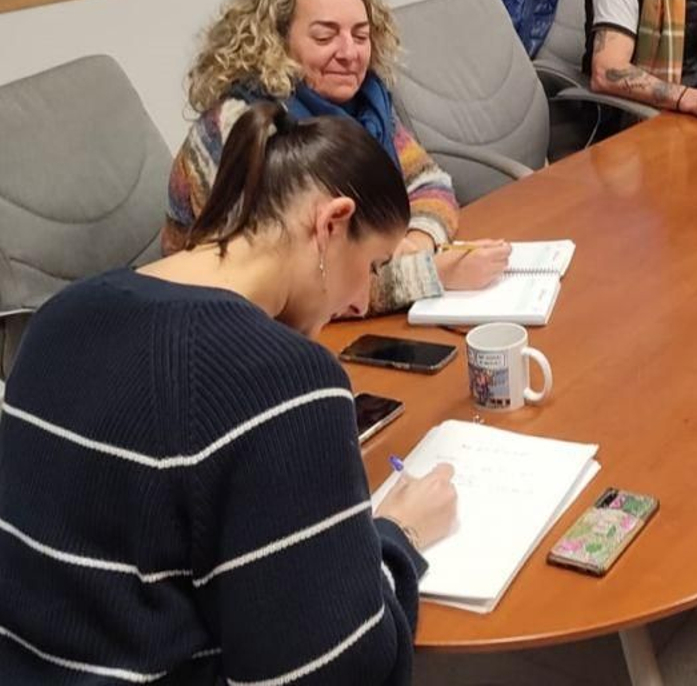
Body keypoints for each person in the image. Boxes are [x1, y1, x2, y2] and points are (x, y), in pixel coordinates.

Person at [0, 103, 459, 683]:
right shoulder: (284, 381)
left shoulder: (59, 317)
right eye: (373, 266)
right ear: (332, 223)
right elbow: (340, 670)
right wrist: (397, 536)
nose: (362, 301)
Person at [166, 0, 508, 313]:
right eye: (324, 37)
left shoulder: (365, 107)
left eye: (361, 36)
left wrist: (417, 241)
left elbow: (429, 183)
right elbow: (281, 287)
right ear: (276, 42)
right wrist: (429, 275)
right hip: (214, 322)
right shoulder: (238, 129)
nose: (349, 53)